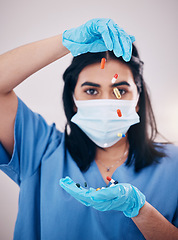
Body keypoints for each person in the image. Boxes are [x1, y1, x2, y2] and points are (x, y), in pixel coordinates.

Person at [0, 18, 177, 240]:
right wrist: (64, 41)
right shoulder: (40, 151)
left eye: (119, 90)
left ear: (138, 100)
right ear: (73, 100)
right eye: (91, 91)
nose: (106, 101)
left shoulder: (174, 166)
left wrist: (141, 211)